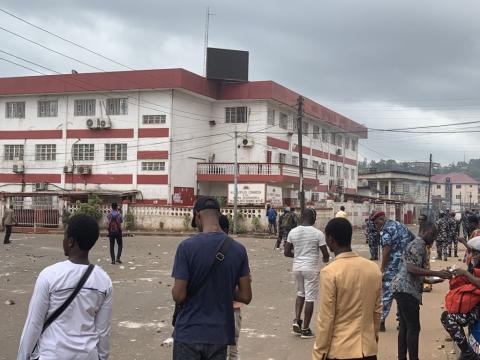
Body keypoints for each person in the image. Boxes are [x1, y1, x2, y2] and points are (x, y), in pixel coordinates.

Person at [17, 214, 113, 360]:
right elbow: (102, 331)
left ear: (70, 241)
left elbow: (33, 325)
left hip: (52, 354)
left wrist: (23, 357)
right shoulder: (104, 281)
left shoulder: (49, 275)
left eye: (64, 236)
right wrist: (102, 357)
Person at [171, 196, 252, 360]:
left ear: (197, 216)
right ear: (218, 214)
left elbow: (178, 295)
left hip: (188, 333)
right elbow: (246, 296)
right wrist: (226, 285)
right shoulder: (238, 250)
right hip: (219, 335)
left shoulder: (186, 247)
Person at [312, 217, 382, 360]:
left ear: (331, 240)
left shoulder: (330, 272)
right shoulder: (373, 269)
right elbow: (377, 311)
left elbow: (326, 318)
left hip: (341, 350)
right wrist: (372, 339)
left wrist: (319, 353)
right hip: (367, 350)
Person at [392, 221, 451, 360]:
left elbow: (410, 272)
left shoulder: (415, 244)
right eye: (433, 235)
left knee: (405, 327)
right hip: (407, 291)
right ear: (425, 232)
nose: (434, 239)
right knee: (413, 328)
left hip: (401, 288)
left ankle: (402, 357)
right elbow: (411, 269)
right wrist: (436, 272)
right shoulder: (418, 244)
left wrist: (431, 280)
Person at [284, 208, 329, 339]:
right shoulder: (318, 234)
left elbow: (286, 252)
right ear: (314, 218)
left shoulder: (293, 232)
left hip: (297, 267)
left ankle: (297, 321)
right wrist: (325, 259)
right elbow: (325, 253)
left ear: (301, 217)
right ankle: (305, 329)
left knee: (300, 293)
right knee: (310, 297)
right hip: (311, 268)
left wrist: (298, 256)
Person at [372, 211, 414, 331]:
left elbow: (386, 249)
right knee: (402, 293)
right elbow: (414, 239)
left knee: (387, 294)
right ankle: (401, 322)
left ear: (381, 220)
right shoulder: (400, 225)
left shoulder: (386, 230)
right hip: (405, 266)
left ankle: (381, 321)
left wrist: (382, 268)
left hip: (392, 266)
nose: (376, 226)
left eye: (376, 223)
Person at [441, 236, 480, 360]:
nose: (472, 255)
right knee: (447, 317)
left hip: (477, 312)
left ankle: (468, 353)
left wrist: (465, 274)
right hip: (473, 309)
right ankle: (468, 352)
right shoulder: (475, 266)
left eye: (475, 253)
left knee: (448, 318)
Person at [219, 214, 243, 360]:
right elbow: (245, 289)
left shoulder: (202, 250)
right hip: (233, 310)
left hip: (212, 310)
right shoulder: (237, 251)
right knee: (232, 351)